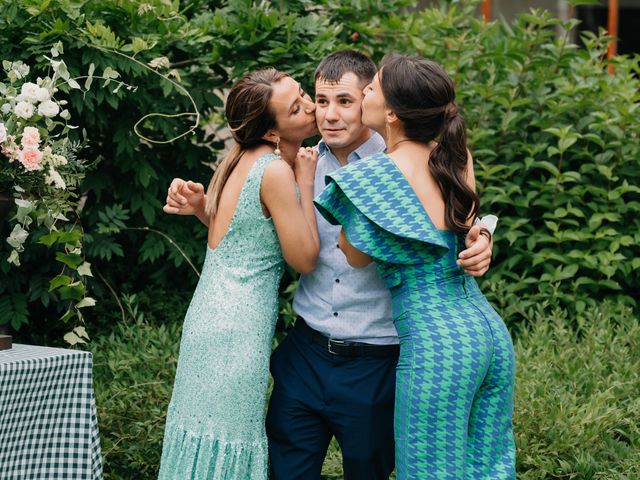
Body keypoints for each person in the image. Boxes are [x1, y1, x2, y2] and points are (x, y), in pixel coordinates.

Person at [165, 50, 493, 480]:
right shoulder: (293, 165)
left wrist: (483, 236)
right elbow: (257, 231)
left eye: (344, 101)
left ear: (373, 105)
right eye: (320, 101)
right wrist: (204, 209)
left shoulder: (414, 162)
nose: (329, 115)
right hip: (306, 353)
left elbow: (457, 220)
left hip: (376, 361)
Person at [314, 54, 515, 479]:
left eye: (371, 89)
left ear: (390, 112)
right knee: (489, 469)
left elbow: (354, 255)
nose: (365, 92)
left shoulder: (370, 178)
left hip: (437, 345)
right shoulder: (455, 158)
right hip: (489, 336)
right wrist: (486, 235)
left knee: (428, 471)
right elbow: (469, 229)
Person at [157, 68, 321, 480]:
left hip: (207, 322)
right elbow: (304, 260)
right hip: (238, 331)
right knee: (230, 438)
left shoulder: (236, 159)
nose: (311, 108)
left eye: (303, 95)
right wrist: (305, 175)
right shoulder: (277, 171)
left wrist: (199, 209)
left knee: (204, 435)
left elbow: (235, 237)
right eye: (296, 108)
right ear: (271, 133)